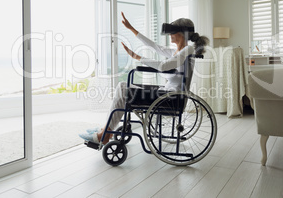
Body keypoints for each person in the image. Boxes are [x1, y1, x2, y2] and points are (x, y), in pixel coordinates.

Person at [79, 12, 209, 144]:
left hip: (170, 98)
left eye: (172, 32)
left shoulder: (187, 51)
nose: (170, 35)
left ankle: (104, 134)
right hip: (166, 94)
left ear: (181, 34)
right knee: (123, 86)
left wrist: (138, 57)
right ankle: (105, 130)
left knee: (123, 88)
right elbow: (154, 46)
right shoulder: (177, 52)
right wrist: (131, 29)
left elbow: (163, 66)